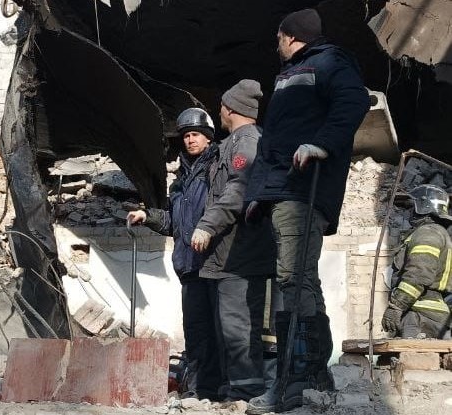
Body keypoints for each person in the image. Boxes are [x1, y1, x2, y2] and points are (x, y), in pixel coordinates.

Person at [243, 9, 370, 414]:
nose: (276, 45)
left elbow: (354, 102)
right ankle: (313, 374)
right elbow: (273, 141)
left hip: (303, 188)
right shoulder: (289, 75)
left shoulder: (329, 62)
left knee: (292, 281)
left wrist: (322, 144)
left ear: (290, 36)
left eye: (278, 38)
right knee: (302, 280)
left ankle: (292, 380)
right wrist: (257, 194)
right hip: (282, 189)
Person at [127, 107, 222, 400]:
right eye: (186, 136)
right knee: (196, 332)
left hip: (216, 265)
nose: (190, 140)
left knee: (222, 330)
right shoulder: (181, 180)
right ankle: (198, 390)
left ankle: (226, 389)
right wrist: (148, 216)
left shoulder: (218, 169)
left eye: (195, 135)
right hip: (189, 266)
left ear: (208, 137)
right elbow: (176, 223)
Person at [190, 79, 277, 402]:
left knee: (238, 327)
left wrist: (207, 225)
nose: (220, 112)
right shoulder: (234, 143)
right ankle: (233, 388)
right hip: (227, 256)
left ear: (230, 109)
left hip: (240, 256)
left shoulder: (248, 143)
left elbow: (239, 190)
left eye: (222, 107)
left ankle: (246, 391)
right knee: (228, 327)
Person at [382, 184, 452, 339]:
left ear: (423, 206)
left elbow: (418, 273)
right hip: (434, 316)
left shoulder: (427, 233)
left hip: (419, 316)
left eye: (411, 207)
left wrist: (396, 306)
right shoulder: (441, 233)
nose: (409, 212)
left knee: (410, 354)